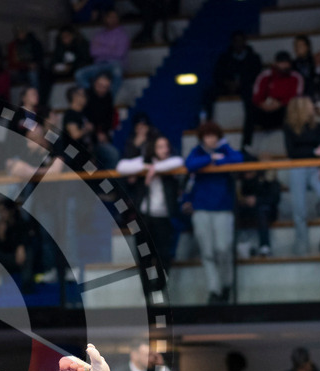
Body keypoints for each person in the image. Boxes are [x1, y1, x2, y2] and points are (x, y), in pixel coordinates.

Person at [185, 121, 244, 304]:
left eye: (213, 136)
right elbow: (189, 164)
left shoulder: (225, 150)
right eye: (206, 136)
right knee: (207, 251)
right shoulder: (198, 152)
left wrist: (221, 153)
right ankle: (214, 290)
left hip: (223, 208)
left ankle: (227, 284)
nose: (210, 139)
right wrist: (210, 159)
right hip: (201, 208)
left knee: (223, 248)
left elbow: (238, 159)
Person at [116, 135, 184, 273]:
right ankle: (147, 294)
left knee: (164, 257)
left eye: (166, 146)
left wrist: (155, 169)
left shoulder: (171, 164)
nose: (164, 150)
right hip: (144, 218)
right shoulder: (143, 162)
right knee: (144, 258)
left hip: (164, 217)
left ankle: (160, 289)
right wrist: (148, 168)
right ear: (153, 149)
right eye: (160, 147)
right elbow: (121, 166)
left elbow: (179, 161)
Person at [283, 96, 320, 256]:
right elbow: (292, 152)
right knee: (299, 210)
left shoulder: (317, 126)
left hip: (314, 166)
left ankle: (319, 210)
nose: (312, 108)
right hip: (297, 168)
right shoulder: (289, 127)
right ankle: (302, 246)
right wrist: (313, 152)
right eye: (310, 105)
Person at [244, 52, 303, 150]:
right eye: (281, 62)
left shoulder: (296, 77)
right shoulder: (265, 76)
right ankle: (246, 146)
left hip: (282, 111)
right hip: (266, 111)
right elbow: (256, 96)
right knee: (250, 112)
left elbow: (296, 97)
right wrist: (263, 104)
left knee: (291, 111)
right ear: (275, 63)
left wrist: (280, 103)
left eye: (286, 63)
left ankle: (293, 148)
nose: (284, 66)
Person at [203, 31, 262, 126]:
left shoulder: (253, 57)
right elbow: (218, 75)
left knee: (252, 95)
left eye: (240, 40)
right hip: (227, 86)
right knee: (209, 93)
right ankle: (208, 124)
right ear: (232, 42)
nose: (238, 43)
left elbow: (256, 75)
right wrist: (228, 83)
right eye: (235, 41)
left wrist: (241, 82)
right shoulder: (224, 58)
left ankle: (251, 127)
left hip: (245, 87)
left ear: (245, 42)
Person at [74, 9, 130, 97]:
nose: (112, 19)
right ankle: (93, 98)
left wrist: (102, 47)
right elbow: (93, 52)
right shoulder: (99, 34)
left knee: (117, 71)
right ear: (105, 19)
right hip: (99, 64)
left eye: (115, 17)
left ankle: (109, 98)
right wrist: (111, 48)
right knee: (79, 74)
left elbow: (119, 53)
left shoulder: (122, 35)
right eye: (110, 17)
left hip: (114, 63)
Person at [237, 152, 281, 257]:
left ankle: (265, 246)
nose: (247, 174)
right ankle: (241, 244)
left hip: (266, 209)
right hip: (248, 209)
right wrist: (244, 200)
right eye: (245, 171)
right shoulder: (241, 180)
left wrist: (257, 200)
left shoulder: (266, 177)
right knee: (235, 211)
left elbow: (274, 198)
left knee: (262, 210)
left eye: (250, 171)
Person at [84, 74, 120, 170]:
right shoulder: (86, 97)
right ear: (95, 84)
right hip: (86, 139)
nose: (102, 89)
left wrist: (104, 134)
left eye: (105, 87)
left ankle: (108, 182)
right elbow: (85, 122)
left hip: (103, 137)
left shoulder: (108, 98)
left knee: (113, 154)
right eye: (100, 86)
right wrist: (95, 133)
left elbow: (109, 120)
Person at [6, 25, 44, 91]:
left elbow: (39, 58)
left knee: (33, 74)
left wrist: (35, 64)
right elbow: (12, 63)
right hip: (19, 70)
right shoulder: (13, 45)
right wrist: (25, 65)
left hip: (32, 70)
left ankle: (35, 96)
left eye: (22, 32)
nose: (20, 34)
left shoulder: (34, 43)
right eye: (18, 32)